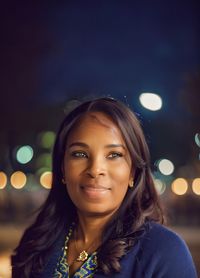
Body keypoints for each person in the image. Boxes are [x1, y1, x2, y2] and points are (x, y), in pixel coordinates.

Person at [11, 97, 197, 278]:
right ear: (62, 168)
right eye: (80, 154)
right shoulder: (35, 244)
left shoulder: (164, 253)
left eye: (114, 154)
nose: (95, 170)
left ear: (133, 172)